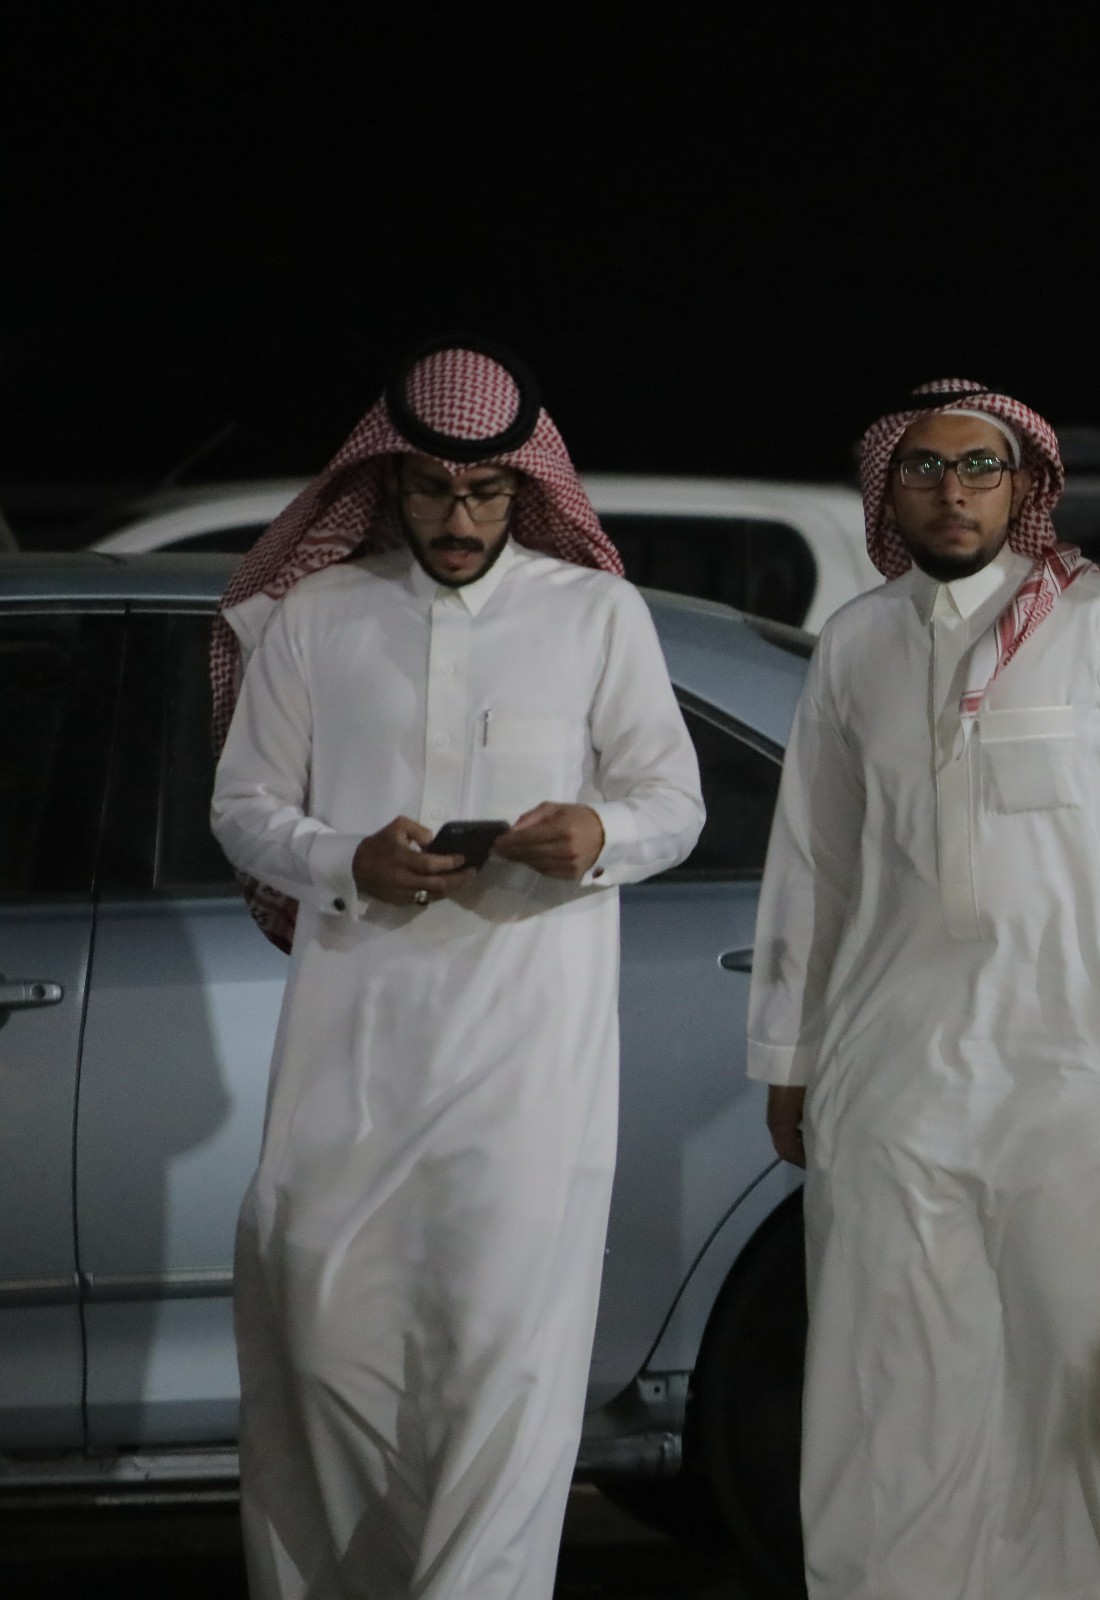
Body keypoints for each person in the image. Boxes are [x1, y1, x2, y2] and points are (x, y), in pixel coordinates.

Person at [746, 379, 1100, 1599]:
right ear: (888, 488)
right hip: (894, 1070)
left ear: (1026, 484)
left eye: (979, 467)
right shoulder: (857, 645)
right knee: (897, 1367)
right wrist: (789, 1053)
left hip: (1087, 1066)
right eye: (924, 468)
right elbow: (812, 862)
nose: (953, 491)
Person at [209, 338, 705, 1599]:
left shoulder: (593, 613)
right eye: (433, 490)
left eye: (485, 492)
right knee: (326, 1349)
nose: (460, 518)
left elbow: (674, 802)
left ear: (524, 491)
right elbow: (244, 806)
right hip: (351, 1058)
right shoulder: (319, 615)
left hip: (527, 1071)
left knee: (501, 1370)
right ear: (388, 483)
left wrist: (599, 834)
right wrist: (345, 858)